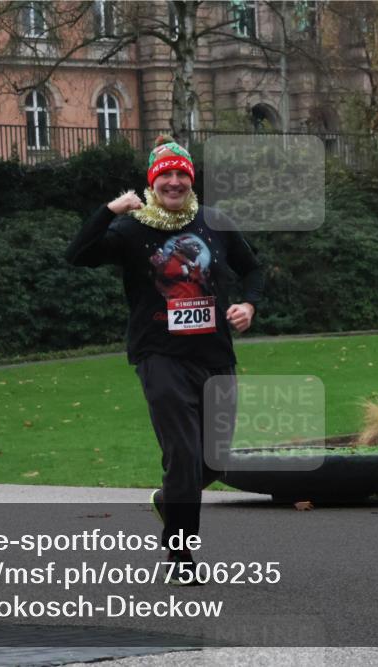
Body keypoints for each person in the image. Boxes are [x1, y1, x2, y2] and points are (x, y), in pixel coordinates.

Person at [64, 134, 264, 585]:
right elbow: (77, 255)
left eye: (181, 175)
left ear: (190, 180)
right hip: (161, 357)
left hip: (214, 355)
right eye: (165, 175)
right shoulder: (132, 229)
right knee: (185, 456)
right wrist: (110, 211)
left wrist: (248, 305)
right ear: (153, 183)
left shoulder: (215, 223)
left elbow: (253, 269)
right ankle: (181, 559)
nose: (173, 182)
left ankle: (170, 498)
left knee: (215, 460)